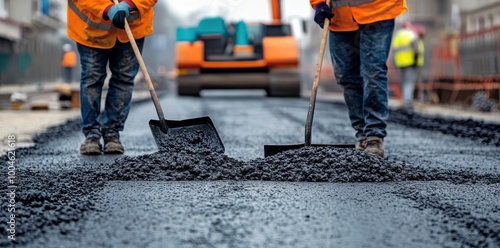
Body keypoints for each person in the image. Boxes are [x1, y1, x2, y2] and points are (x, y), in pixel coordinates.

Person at [311, 0, 407, 158]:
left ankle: (374, 136)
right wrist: (319, 3)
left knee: (373, 70)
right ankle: (362, 134)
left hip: (378, 10)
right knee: (345, 75)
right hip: (340, 17)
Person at [67, 0, 157, 155]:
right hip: (92, 27)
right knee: (91, 79)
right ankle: (91, 135)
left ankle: (112, 134)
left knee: (124, 80)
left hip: (131, 28)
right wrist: (106, 9)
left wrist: (130, 4)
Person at [392, 21, 422, 109]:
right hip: (410, 63)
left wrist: (395, 62)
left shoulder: (397, 36)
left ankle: (403, 101)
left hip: (400, 63)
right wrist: (416, 61)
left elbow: (394, 50)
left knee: (403, 82)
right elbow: (416, 50)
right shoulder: (412, 34)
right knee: (409, 83)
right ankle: (407, 103)